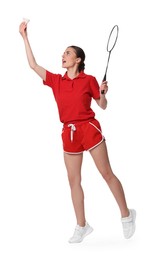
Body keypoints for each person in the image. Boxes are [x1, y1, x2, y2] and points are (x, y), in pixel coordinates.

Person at [19, 20, 136, 243]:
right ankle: (82, 225)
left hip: (89, 129)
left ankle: (127, 215)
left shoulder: (88, 80)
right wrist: (24, 37)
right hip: (69, 133)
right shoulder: (56, 81)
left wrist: (103, 93)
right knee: (74, 180)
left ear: (78, 60)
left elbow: (102, 106)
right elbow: (33, 65)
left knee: (106, 173)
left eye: (68, 53)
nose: (63, 55)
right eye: (63, 52)